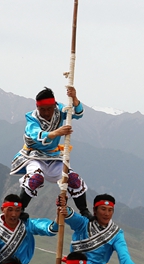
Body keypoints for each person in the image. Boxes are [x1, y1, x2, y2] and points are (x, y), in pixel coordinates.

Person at [10, 86, 90, 217]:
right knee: (35, 179)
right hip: (33, 156)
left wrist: (74, 98)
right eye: (42, 110)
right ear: (37, 108)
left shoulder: (60, 110)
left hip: (53, 156)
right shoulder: (32, 117)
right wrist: (56, 133)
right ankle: (21, 209)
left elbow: (78, 114)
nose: (46, 113)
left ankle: (84, 211)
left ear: (54, 105)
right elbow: (35, 135)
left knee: (73, 179)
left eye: (49, 109)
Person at [66, 193, 140, 264]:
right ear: (95, 210)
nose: (107, 214)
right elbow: (69, 215)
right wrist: (63, 204)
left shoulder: (116, 233)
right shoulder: (83, 224)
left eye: (110, 210)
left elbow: (124, 256)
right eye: (103, 209)